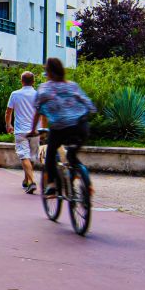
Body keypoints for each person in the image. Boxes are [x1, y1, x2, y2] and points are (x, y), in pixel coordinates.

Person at [30, 57, 96, 195]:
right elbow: (88, 104)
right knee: (72, 155)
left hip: (61, 128)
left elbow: (37, 110)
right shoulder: (72, 85)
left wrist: (32, 130)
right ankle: (87, 184)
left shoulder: (45, 88)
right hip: (81, 126)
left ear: (48, 72)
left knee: (51, 152)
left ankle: (52, 184)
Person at [5, 71, 39, 193]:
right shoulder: (38, 95)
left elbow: (8, 111)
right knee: (32, 158)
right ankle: (27, 180)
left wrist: (8, 125)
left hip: (20, 131)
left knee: (24, 156)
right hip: (35, 130)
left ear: (21, 81)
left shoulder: (15, 94)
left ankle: (31, 181)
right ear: (33, 82)